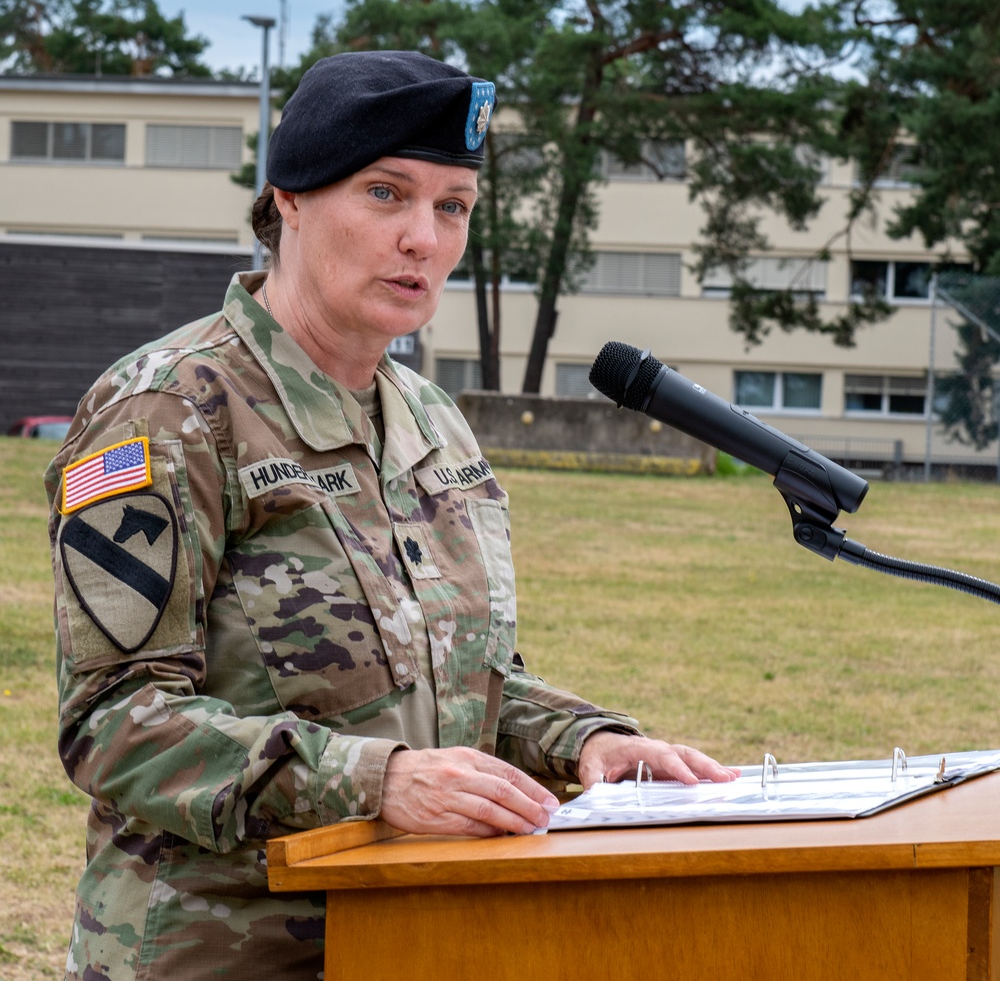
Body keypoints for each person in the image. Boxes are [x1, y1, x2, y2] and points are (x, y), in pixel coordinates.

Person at [45, 50, 738, 980]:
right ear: (288, 199)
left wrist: (588, 740)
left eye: (453, 205)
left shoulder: (431, 420)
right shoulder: (168, 411)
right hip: (218, 953)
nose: (425, 237)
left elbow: (460, 682)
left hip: (416, 939)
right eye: (386, 193)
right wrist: (380, 779)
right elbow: (115, 721)